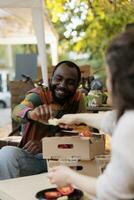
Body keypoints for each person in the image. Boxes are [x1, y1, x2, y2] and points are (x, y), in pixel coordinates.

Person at [47, 30, 134, 199]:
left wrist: (68, 176)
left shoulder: (129, 127)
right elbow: (112, 120)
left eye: (108, 75)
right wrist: (77, 117)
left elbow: (110, 191)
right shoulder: (127, 119)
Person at [0, 60, 86, 180]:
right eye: (58, 79)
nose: (62, 85)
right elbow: (17, 111)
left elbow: (84, 136)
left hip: (65, 160)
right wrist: (31, 114)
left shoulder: (78, 100)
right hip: (36, 159)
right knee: (7, 154)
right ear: (51, 79)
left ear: (77, 85)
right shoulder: (40, 95)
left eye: (70, 82)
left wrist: (47, 145)